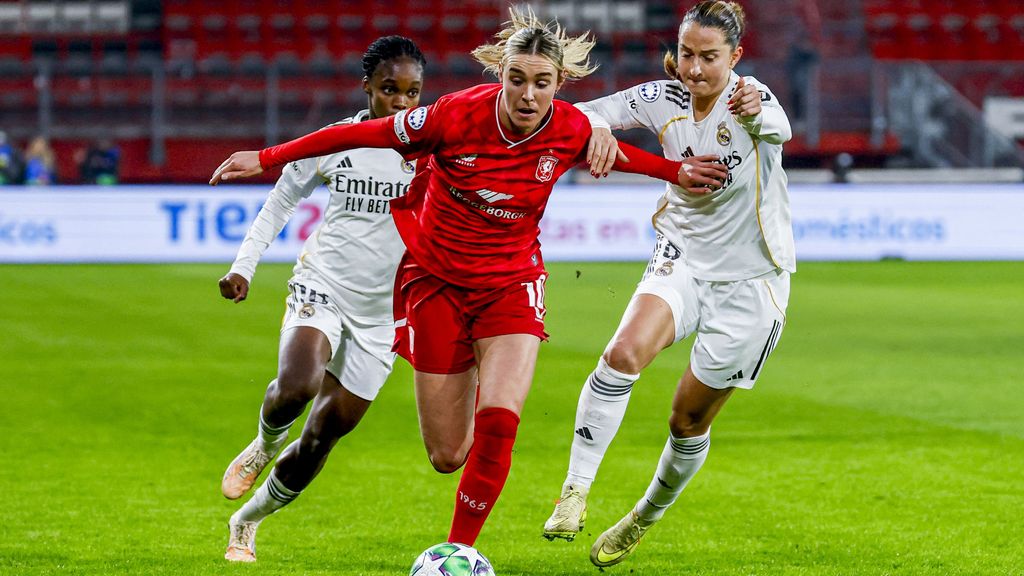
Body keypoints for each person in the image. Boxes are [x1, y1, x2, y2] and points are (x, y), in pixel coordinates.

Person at [211, 7, 728, 550]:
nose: (528, 95)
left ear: (559, 83)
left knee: (500, 422)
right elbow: (366, 132)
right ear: (500, 74)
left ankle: (459, 553)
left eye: (542, 83)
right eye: (517, 79)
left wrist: (676, 171)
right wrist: (266, 157)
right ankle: (461, 381)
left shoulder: (571, 128)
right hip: (434, 284)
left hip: (510, 284)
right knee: (447, 454)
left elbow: (618, 155)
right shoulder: (453, 116)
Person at [540, 1, 795, 567]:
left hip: (751, 282)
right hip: (683, 256)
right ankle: (574, 493)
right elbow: (580, 113)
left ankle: (644, 515)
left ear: (736, 56)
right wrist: (598, 131)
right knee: (622, 354)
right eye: (686, 53)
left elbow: (779, 128)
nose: (695, 68)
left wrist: (756, 109)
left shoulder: (753, 98)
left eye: (709, 57)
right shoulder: (664, 98)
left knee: (686, 421)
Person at [216, 36, 426, 563]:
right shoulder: (336, 140)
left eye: (412, 92)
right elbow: (279, 202)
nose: (401, 102)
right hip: (323, 284)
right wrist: (243, 267)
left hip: (384, 316)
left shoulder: (432, 150)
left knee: (320, 438)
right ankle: (263, 445)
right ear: (367, 87)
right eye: (390, 89)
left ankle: (247, 521)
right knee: (298, 385)